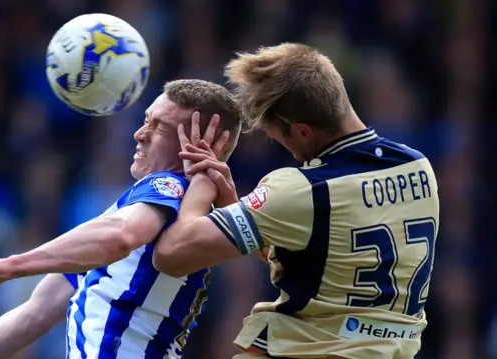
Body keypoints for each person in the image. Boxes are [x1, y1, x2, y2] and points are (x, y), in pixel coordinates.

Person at [153, 43, 440, 359]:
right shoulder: (417, 167)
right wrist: (233, 205)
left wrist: (201, 182)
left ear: (303, 131)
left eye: (277, 135)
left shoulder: (302, 190)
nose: (281, 145)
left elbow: (172, 253)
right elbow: (323, 257)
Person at [0, 79, 244, 359]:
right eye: (146, 120)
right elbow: (35, 313)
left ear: (196, 145)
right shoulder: (158, 208)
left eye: (159, 127)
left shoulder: (172, 187)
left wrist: (9, 265)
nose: (139, 134)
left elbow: (123, 234)